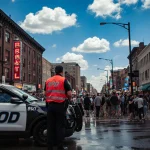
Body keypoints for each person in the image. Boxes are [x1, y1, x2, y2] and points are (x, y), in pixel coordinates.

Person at [45, 65, 72, 150]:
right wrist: (69, 100)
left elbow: (44, 93)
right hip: (60, 106)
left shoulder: (48, 80)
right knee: (60, 127)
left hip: (50, 106)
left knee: (50, 127)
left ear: (55, 71)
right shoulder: (63, 80)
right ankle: (60, 146)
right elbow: (69, 94)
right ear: (61, 72)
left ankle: (50, 146)